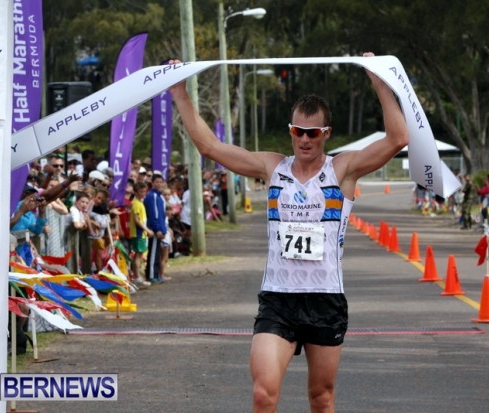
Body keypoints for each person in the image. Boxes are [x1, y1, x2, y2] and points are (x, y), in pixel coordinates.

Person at [169, 53, 408, 413]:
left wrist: (377, 80)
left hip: (325, 298)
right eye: (298, 132)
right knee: (263, 394)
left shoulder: (342, 169)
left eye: (312, 133)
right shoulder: (272, 166)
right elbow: (210, 148)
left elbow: (398, 137)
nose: (304, 140)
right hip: (278, 298)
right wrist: (179, 92)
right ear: (290, 131)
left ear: (325, 134)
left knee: (321, 398)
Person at [144, 173, 167, 283]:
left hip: (160, 229)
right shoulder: (151, 196)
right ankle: (151, 275)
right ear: (152, 183)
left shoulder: (160, 197)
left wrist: (163, 230)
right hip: (153, 229)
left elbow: (162, 215)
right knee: (153, 253)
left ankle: (157, 273)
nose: (159, 184)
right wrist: (157, 229)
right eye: (156, 182)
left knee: (157, 253)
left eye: (160, 182)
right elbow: (154, 214)